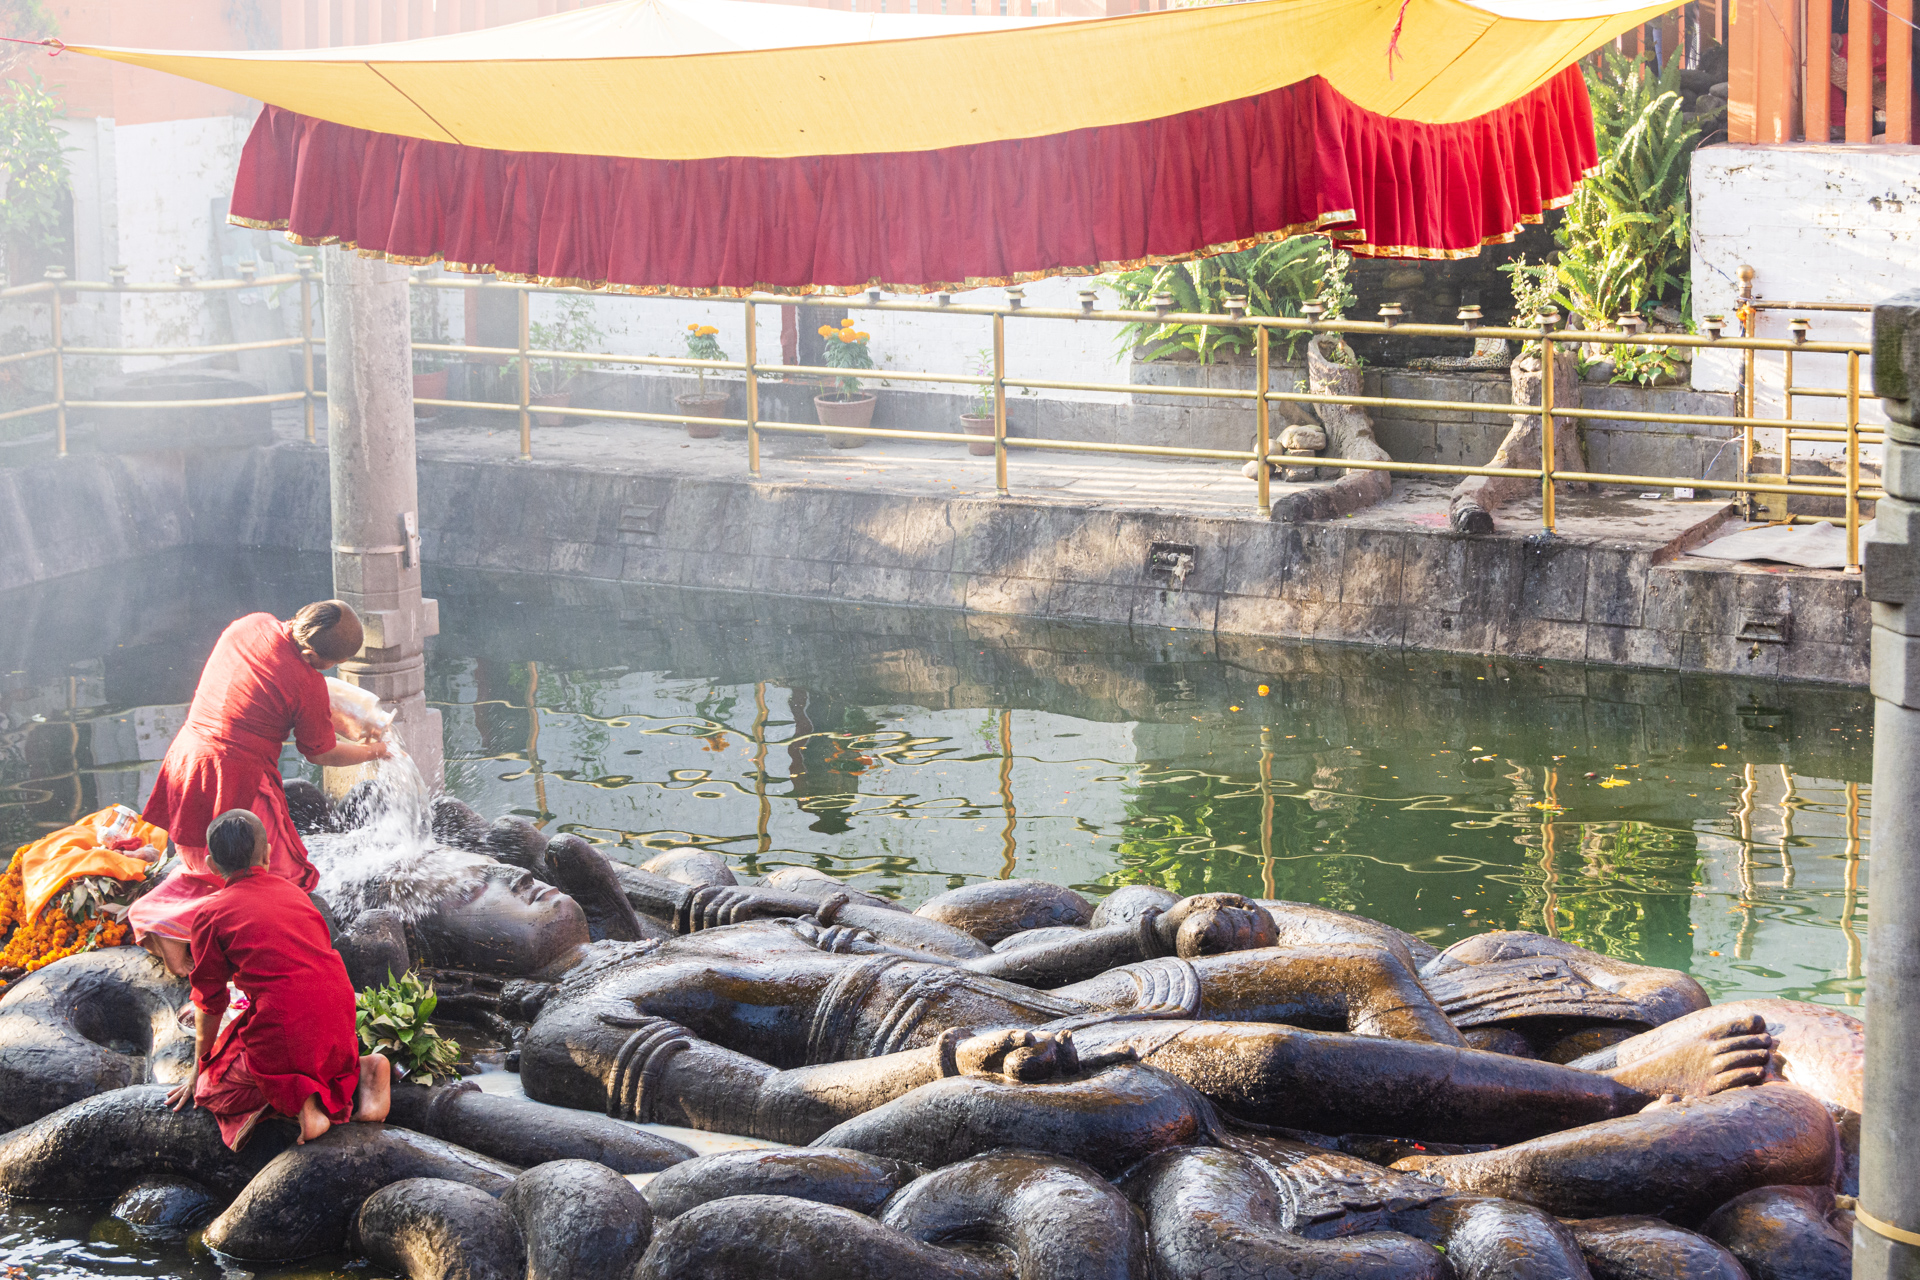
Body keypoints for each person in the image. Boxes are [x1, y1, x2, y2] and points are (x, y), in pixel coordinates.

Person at [131, 601, 390, 974]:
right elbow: (321, 752)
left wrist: (342, 721)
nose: (329, 670)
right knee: (271, 876)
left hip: (188, 762)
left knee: (207, 866)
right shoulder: (307, 682)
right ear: (311, 655)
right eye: (330, 663)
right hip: (235, 779)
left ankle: (171, 918)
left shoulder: (251, 624)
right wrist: (375, 752)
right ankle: (172, 924)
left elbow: (276, 691)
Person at [167, 809, 391, 1149]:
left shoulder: (211, 913)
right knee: (307, 1041)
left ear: (211, 865)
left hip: (287, 1028)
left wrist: (198, 1069)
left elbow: (209, 1003)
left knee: (212, 1089)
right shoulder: (296, 894)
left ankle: (306, 1105)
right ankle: (363, 1068)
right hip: (340, 1022)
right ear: (268, 855)